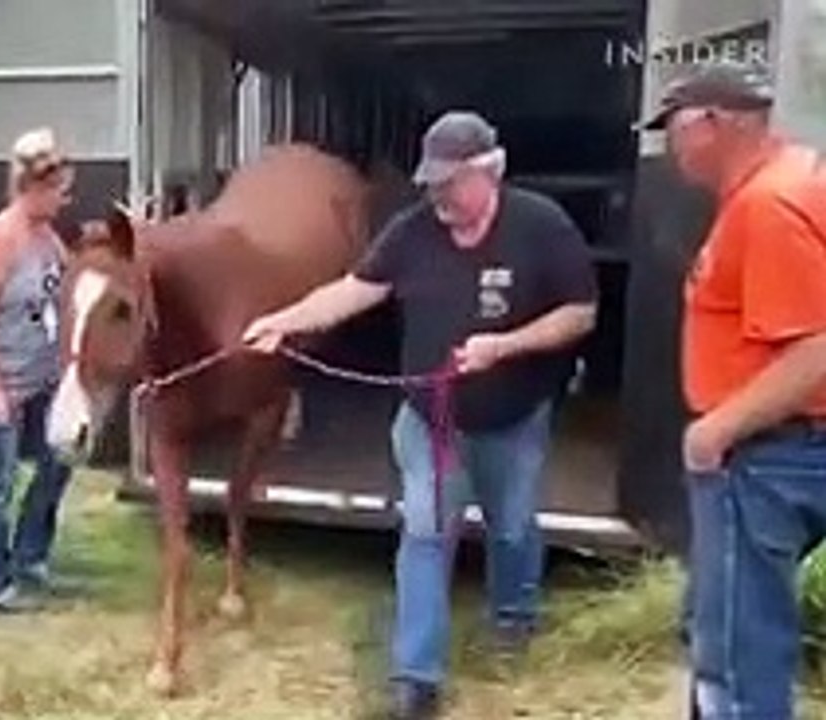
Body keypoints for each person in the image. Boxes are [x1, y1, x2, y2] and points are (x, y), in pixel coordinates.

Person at [242, 111, 597, 719]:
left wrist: (504, 346)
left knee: (512, 527)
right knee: (426, 535)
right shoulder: (411, 232)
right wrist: (283, 320)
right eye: (431, 183)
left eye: (450, 183)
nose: (438, 197)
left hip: (513, 418)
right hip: (430, 421)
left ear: (491, 171)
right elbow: (353, 290)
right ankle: (416, 678)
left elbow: (580, 313)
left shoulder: (542, 226)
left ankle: (513, 618)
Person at [639, 61, 826, 720]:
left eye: (675, 130)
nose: (670, 149)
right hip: (777, 448)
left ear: (712, 124)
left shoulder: (768, 206)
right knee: (717, 626)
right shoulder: (791, 180)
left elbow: (815, 347)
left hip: (764, 456)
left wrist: (716, 431)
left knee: (737, 657)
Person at [0, 127, 77, 614]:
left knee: (59, 460)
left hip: (42, 376)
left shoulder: (47, 238)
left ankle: (31, 555)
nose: (66, 200)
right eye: (61, 191)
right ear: (36, 189)